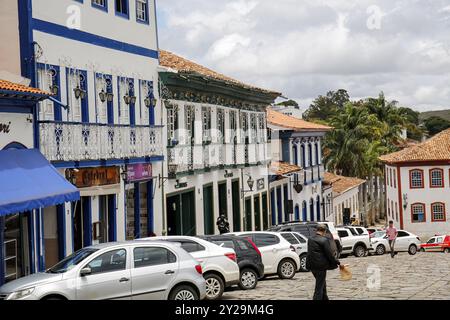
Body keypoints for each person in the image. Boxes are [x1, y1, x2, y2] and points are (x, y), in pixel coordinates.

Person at [306, 224, 344, 300]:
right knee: (319, 287)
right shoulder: (324, 240)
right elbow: (329, 254)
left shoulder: (310, 239)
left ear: (317, 230)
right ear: (325, 231)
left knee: (322, 284)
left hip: (312, 266)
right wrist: (338, 262)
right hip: (321, 267)